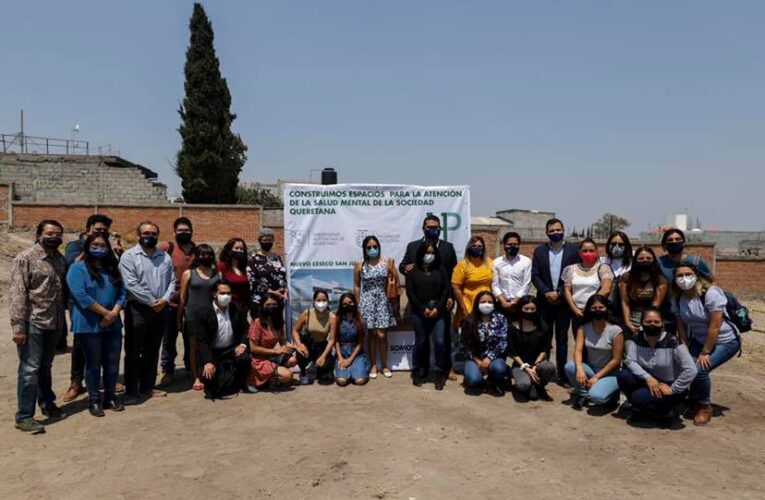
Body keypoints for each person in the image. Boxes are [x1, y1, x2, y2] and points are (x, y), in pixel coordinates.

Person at [10, 220, 67, 433]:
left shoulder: (60, 260)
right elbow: (17, 293)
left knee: (45, 367)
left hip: (54, 323)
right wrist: (18, 327)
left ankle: (47, 404)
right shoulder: (25, 258)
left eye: (58, 234)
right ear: (39, 235)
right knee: (29, 370)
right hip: (32, 323)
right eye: (49, 233)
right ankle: (24, 416)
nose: (54, 237)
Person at [62, 213, 124, 402]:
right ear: (87, 230)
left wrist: (113, 313)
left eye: (104, 232)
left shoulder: (110, 265)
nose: (101, 235)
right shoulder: (75, 246)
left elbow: (121, 289)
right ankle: (76, 382)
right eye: (97, 231)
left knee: (110, 358)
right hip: (84, 311)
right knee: (84, 350)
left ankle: (108, 389)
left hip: (111, 316)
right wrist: (90, 247)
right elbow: (74, 267)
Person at [672, 264, 740, 426]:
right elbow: (681, 327)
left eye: (688, 274)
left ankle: (704, 406)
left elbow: (715, 326)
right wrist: (685, 349)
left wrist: (705, 352)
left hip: (725, 340)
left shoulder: (710, 293)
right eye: (679, 276)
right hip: (700, 340)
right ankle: (693, 400)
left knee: (700, 370)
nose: (684, 278)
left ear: (696, 275)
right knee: (687, 366)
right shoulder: (678, 297)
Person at [118, 221, 177, 404]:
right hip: (138, 309)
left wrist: (166, 299)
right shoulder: (129, 257)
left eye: (153, 233)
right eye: (146, 233)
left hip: (160, 309)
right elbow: (131, 284)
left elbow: (172, 280)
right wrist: (153, 302)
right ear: (138, 235)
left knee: (153, 350)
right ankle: (131, 390)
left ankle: (147, 387)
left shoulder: (164, 257)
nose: (149, 236)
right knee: (134, 351)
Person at [399, 215, 458, 380]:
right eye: (429, 226)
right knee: (422, 339)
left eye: (435, 227)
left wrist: (451, 296)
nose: (432, 229)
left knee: (442, 338)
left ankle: (446, 369)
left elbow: (453, 274)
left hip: (442, 300)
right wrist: (406, 267)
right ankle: (422, 368)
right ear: (423, 228)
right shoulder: (413, 247)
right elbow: (403, 266)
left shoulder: (448, 247)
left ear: (440, 228)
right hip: (419, 301)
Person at [617, 308, 698, 427]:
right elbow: (630, 360)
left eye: (656, 322)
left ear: (662, 324)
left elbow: (691, 369)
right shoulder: (636, 338)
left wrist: (672, 389)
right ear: (641, 323)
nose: (652, 325)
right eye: (648, 322)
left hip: (669, 385)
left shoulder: (674, 341)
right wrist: (648, 378)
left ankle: (666, 411)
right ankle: (641, 410)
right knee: (624, 375)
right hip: (649, 382)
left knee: (638, 397)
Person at [531, 218, 579, 383]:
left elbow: (575, 274)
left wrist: (559, 293)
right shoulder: (539, 251)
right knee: (544, 337)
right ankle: (543, 370)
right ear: (547, 233)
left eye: (558, 230)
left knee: (562, 339)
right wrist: (546, 292)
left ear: (563, 230)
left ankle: (562, 373)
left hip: (564, 302)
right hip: (544, 302)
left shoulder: (574, 250)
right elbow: (535, 275)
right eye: (551, 231)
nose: (555, 233)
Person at [565, 295, 624, 410]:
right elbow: (577, 350)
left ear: (607, 308)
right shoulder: (583, 327)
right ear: (589, 310)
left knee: (597, 397)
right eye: (594, 308)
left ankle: (609, 393)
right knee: (570, 366)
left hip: (609, 373)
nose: (597, 310)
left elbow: (617, 359)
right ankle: (583, 394)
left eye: (601, 307)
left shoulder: (616, 330)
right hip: (591, 369)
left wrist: (597, 377)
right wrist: (580, 369)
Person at [405, 241, 450, 389]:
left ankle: (439, 373)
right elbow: (410, 293)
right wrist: (423, 308)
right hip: (419, 311)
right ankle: (417, 371)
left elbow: (445, 291)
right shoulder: (413, 271)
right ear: (421, 253)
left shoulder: (441, 270)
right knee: (421, 341)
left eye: (432, 253)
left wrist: (438, 308)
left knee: (439, 342)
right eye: (427, 252)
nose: (429, 256)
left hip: (438, 311)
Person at [158, 217, 196, 386]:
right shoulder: (167, 248)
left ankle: (190, 366)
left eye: (186, 231)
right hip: (171, 302)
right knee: (169, 338)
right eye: (180, 231)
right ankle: (167, 370)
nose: (183, 233)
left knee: (191, 337)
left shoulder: (197, 250)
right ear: (174, 232)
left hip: (192, 303)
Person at [177, 244, 221, 391]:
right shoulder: (189, 274)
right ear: (197, 256)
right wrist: (179, 317)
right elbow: (183, 297)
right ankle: (196, 376)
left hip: (212, 315)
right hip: (193, 316)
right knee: (193, 347)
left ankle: (211, 369)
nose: (205, 257)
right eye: (202, 254)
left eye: (208, 254)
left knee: (211, 344)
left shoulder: (218, 274)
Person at [197, 281, 251, 399]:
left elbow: (246, 330)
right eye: (222, 293)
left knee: (244, 358)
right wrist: (207, 361)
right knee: (208, 378)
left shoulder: (236, 309)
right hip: (213, 353)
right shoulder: (204, 312)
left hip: (232, 349)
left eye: (228, 293)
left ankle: (241, 383)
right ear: (214, 294)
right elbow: (202, 341)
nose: (226, 296)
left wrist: (242, 344)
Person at [354, 235, 397, 379]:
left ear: (379, 247)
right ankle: (373, 365)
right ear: (364, 249)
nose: (372, 249)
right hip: (367, 301)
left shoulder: (387, 262)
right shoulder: (360, 264)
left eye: (375, 246)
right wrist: (357, 304)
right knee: (371, 334)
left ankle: (384, 365)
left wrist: (392, 268)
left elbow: (395, 280)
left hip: (382, 300)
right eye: (369, 247)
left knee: (382, 335)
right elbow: (356, 286)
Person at [506, 296, 557, 401]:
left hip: (538, 364)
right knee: (523, 385)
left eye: (532, 309)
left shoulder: (542, 326)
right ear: (521, 309)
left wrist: (535, 366)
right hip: (520, 365)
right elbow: (513, 352)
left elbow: (544, 349)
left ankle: (539, 386)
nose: (529, 311)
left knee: (549, 367)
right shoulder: (512, 327)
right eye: (526, 309)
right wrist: (526, 368)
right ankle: (529, 383)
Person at [461, 291, 510, 395]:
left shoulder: (501, 318)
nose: (486, 304)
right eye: (483, 302)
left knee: (499, 369)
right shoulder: (469, 321)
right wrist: (478, 361)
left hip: (495, 357)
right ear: (477, 303)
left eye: (489, 302)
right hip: (475, 358)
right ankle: (477, 377)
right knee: (473, 380)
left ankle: (491, 381)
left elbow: (503, 342)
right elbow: (464, 345)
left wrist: (489, 358)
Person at [246, 293, 297, 390]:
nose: (271, 307)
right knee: (288, 376)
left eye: (274, 304)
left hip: (271, 356)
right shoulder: (257, 323)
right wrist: (276, 351)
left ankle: (270, 377)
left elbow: (283, 342)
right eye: (268, 305)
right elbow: (253, 348)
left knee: (293, 360)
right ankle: (264, 382)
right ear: (262, 306)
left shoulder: (279, 321)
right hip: (257, 359)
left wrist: (296, 347)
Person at [562, 238, 614, 332]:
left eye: (591, 250)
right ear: (579, 252)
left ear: (596, 252)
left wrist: (589, 306)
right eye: (585, 251)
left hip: (596, 313)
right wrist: (574, 309)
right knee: (579, 343)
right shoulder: (571, 269)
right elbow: (567, 290)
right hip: (577, 314)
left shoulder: (603, 268)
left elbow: (606, 289)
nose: (588, 253)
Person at [619, 246, 668, 338]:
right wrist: (628, 322)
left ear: (654, 260)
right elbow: (624, 302)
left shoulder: (660, 279)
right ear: (635, 260)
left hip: (652, 319)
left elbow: (655, 304)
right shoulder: (626, 277)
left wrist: (644, 323)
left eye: (648, 258)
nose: (645, 260)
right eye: (641, 258)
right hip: (632, 318)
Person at [291, 290, 337, 385]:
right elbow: (295, 330)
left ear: (328, 301)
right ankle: (303, 372)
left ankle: (321, 370)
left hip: (322, 345)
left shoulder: (332, 317)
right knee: (301, 355)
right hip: (308, 343)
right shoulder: (307, 313)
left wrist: (323, 356)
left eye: (324, 300)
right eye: (318, 300)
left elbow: (332, 339)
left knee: (325, 367)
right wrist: (299, 345)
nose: (321, 303)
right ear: (314, 301)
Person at [452, 236, 493, 328]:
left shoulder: (489, 263)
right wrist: (463, 309)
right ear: (469, 248)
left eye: (479, 246)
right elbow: (456, 288)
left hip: (486, 304)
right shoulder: (462, 265)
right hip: (468, 305)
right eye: (474, 246)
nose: (477, 248)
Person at [247, 228, 287, 318]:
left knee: (275, 328)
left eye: (270, 240)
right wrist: (271, 291)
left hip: (277, 301)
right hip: (260, 301)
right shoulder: (253, 258)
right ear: (260, 241)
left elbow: (283, 276)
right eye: (264, 240)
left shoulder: (278, 258)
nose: (267, 242)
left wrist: (283, 290)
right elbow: (252, 280)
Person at [492, 231, 532, 321]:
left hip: (520, 303)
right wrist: (503, 301)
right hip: (502, 304)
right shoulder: (496, 262)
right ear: (504, 245)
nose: (512, 247)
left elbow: (526, 284)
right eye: (509, 244)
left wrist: (514, 301)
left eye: (515, 244)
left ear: (519, 245)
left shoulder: (526, 262)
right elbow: (495, 285)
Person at [334, 293, 370, 387]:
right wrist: (341, 358)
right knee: (341, 382)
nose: (348, 305)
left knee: (360, 381)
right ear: (341, 305)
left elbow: (361, 342)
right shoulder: (337, 319)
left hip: (357, 354)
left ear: (354, 303)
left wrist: (350, 359)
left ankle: (356, 371)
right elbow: (335, 341)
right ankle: (346, 373)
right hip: (342, 353)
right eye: (345, 304)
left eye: (350, 302)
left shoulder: (361, 320)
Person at [601, 231, 632, 311]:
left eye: (621, 245)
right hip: (606, 308)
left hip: (627, 307)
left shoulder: (632, 264)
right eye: (613, 244)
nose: (616, 247)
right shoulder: (601, 262)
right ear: (608, 245)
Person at [217, 238, 251, 310]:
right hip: (228, 307)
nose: (239, 250)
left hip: (243, 307)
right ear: (229, 249)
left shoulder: (244, 267)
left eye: (242, 249)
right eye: (236, 248)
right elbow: (217, 286)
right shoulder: (222, 266)